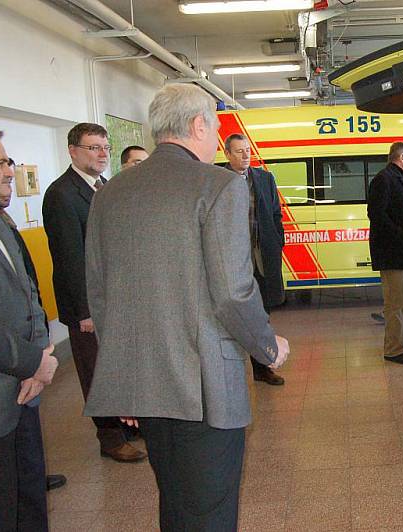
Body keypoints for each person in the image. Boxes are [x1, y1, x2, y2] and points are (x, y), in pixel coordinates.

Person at [83, 84, 289, 531]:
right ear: (197, 125)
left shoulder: (110, 194)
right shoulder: (219, 186)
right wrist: (267, 345)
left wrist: (128, 379)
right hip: (205, 388)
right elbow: (233, 293)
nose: (217, 135)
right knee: (211, 508)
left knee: (175, 501)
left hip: (149, 385)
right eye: (215, 125)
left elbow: (101, 296)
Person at [42, 122, 146, 463]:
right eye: (93, 147)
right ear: (73, 150)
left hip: (114, 299)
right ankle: (110, 436)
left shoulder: (105, 186)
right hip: (87, 305)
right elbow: (69, 258)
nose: (101, 154)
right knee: (96, 370)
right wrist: (84, 311)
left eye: (104, 147)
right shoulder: (62, 194)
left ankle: (128, 421)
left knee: (118, 364)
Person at [0, 128, 59, 531]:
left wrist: (42, 351)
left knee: (29, 496)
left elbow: (28, 291)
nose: (9, 171)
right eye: (1, 162)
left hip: (22, 392)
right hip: (2, 391)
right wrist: (33, 361)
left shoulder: (1, 223)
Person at [223, 133, 286, 386]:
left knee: (262, 314)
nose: (245, 155)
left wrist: (276, 244)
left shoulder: (264, 178)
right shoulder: (217, 179)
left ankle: (262, 367)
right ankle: (232, 371)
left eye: (248, 150)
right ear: (227, 154)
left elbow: (275, 214)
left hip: (261, 257)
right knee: (234, 316)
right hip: (231, 260)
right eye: (239, 151)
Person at [367, 142, 403, 364]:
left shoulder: (398, 178)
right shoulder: (384, 179)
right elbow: (376, 214)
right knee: (394, 302)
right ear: (400, 158)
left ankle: (399, 339)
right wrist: (399, 234)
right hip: (392, 253)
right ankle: (392, 349)